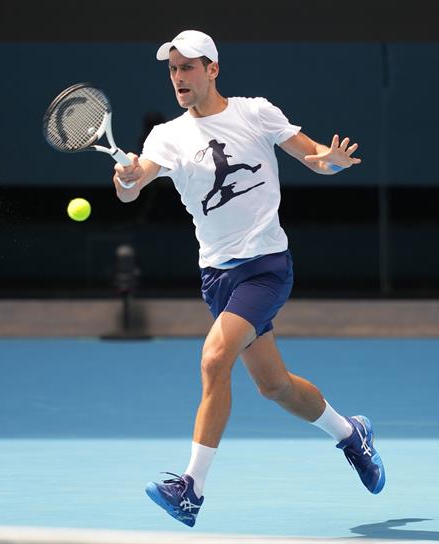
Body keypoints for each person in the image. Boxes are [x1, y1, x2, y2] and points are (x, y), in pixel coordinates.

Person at [111, 29, 384, 527]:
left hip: (265, 268)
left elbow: (314, 156)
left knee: (215, 358)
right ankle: (351, 433)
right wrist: (128, 179)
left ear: (213, 69)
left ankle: (191, 487)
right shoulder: (166, 136)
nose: (179, 77)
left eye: (188, 67)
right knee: (274, 386)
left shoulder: (255, 112)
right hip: (216, 277)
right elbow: (136, 184)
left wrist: (333, 162)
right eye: (172, 69)